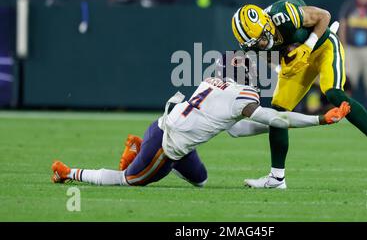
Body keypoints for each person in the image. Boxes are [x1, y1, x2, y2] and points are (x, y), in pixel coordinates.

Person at [51, 52, 350, 188]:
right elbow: (278, 117)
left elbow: (237, 129)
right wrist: (319, 120)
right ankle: (69, 173)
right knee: (128, 180)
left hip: (170, 132)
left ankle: (138, 151)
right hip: (165, 145)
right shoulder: (239, 96)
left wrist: (272, 125)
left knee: (201, 181)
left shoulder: (213, 83)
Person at [231, 0, 367, 188]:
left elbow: (324, 16)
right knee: (277, 115)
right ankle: (277, 178)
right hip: (300, 60)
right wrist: (282, 65)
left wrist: (307, 46)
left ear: (266, 23)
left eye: (261, 37)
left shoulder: (282, 15)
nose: (261, 43)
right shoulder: (252, 44)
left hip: (323, 47)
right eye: (255, 43)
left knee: (333, 93)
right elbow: (269, 55)